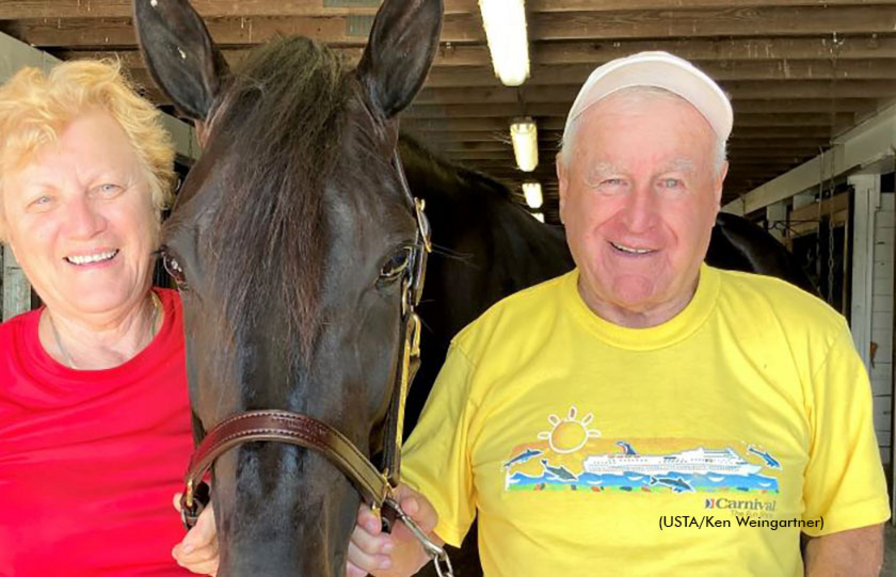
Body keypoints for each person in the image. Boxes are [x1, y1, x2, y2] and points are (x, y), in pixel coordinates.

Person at [346, 52, 890, 576]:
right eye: (611, 180)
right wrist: (377, 545)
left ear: (715, 189)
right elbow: (415, 535)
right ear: (564, 187)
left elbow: (845, 527)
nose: (638, 219)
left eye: (672, 182)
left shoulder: (809, 338)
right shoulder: (486, 348)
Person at [0, 60, 218, 576]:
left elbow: (370, 549)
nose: (83, 226)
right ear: (6, 230)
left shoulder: (240, 352)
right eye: (43, 200)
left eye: (107, 187)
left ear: (157, 196)